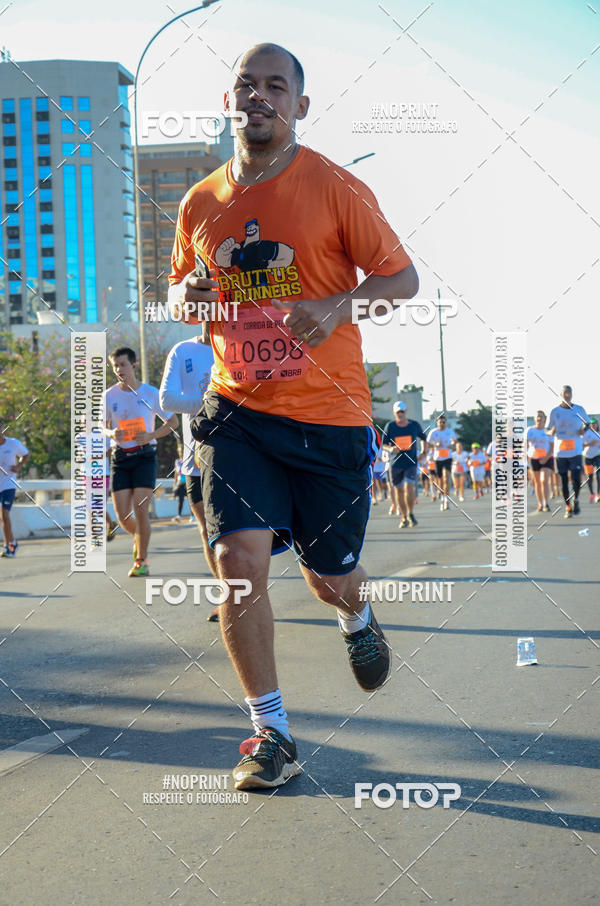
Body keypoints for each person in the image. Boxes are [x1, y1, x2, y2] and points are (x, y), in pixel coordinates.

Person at [168, 43, 419, 790]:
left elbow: (402, 279)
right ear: (229, 101)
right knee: (237, 563)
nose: (260, 96)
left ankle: (356, 616)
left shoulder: (338, 189)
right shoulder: (201, 202)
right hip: (236, 410)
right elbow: (183, 284)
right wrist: (186, 300)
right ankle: (269, 734)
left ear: (299, 107)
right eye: (247, 84)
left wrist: (337, 305)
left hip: (330, 417)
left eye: (276, 86)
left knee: (328, 574)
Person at [159, 334, 220, 619]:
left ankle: (246, 593)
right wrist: (212, 403)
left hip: (235, 454)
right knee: (207, 530)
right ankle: (228, 596)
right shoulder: (182, 349)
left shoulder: (237, 342)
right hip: (195, 458)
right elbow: (167, 399)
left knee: (238, 532)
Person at [104, 347, 177, 576]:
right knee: (123, 516)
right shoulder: (109, 395)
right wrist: (111, 434)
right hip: (120, 458)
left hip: (145, 455)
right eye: (115, 366)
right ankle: (139, 539)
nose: (119, 370)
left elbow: (172, 422)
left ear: (133, 365)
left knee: (140, 509)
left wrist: (151, 435)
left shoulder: (150, 393)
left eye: (123, 365)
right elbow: (99, 426)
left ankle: (142, 559)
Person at [547, 385, 589, 518]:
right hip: (560, 452)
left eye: (569, 393)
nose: (567, 395)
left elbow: (588, 423)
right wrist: (551, 431)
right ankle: (568, 507)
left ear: (571, 395)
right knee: (564, 480)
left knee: (576, 478)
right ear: (561, 395)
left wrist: (584, 429)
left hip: (576, 450)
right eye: (565, 393)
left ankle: (576, 499)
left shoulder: (579, 409)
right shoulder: (554, 411)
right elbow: (548, 430)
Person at [382, 401, 426, 528]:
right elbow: (384, 444)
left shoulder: (414, 425)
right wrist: (390, 449)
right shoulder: (390, 426)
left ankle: (411, 513)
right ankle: (404, 516)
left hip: (411, 462)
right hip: (395, 463)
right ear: (394, 413)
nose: (400, 414)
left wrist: (424, 451)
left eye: (402, 411)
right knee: (399, 491)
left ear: (406, 411)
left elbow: (423, 437)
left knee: (409, 487)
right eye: (398, 412)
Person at [0, 419, 29, 557]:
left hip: (9, 484)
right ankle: (13, 543)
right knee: (2, 518)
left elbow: (26, 454)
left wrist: (18, 466)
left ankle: (8, 547)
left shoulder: (13, 443)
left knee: (4, 515)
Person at [426, 414, 457, 510]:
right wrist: (435, 444)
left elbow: (454, 441)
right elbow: (428, 444)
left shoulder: (449, 431)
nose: (442, 424)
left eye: (444, 422)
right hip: (437, 458)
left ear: (446, 423)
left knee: (446, 478)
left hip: (447, 457)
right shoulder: (433, 432)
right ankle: (442, 497)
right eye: (440, 422)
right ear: (437, 423)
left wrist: (452, 445)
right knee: (440, 480)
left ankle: (446, 500)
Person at [526, 411, 554, 512]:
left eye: (541, 416)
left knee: (544, 480)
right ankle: (540, 503)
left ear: (544, 419)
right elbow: (525, 444)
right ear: (534, 418)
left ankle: (546, 503)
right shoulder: (530, 430)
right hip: (534, 458)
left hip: (547, 458)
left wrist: (546, 458)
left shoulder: (548, 431)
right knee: (537, 482)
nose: (539, 418)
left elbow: (552, 447)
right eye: (537, 416)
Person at [582, 417, 600, 503]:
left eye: (595, 424)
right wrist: (590, 444)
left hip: (597, 456)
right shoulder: (586, 433)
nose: (594, 425)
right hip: (588, 457)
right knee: (590, 477)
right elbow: (581, 445)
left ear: (597, 424)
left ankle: (598, 494)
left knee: (598, 476)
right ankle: (592, 494)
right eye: (592, 424)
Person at [172, 447, 188, 522]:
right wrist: (175, 483)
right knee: (180, 500)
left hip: (188, 482)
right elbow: (176, 473)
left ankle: (193, 516)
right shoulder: (177, 461)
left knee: (191, 500)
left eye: (182, 451)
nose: (181, 453)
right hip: (180, 483)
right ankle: (179, 516)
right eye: (180, 452)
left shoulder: (188, 459)